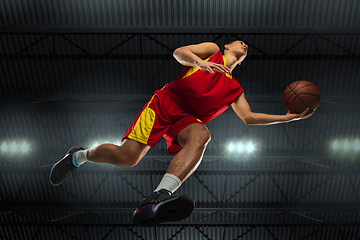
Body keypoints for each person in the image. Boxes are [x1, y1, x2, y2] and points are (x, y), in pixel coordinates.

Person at [49, 40, 313, 227]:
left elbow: (249, 117)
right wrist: (200, 63)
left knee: (202, 135)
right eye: (239, 42)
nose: (244, 45)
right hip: (165, 103)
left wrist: (286, 118)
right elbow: (179, 53)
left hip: (186, 120)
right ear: (227, 47)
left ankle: (158, 196)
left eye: (247, 47)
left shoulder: (235, 88)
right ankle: (78, 156)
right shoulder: (211, 52)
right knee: (127, 158)